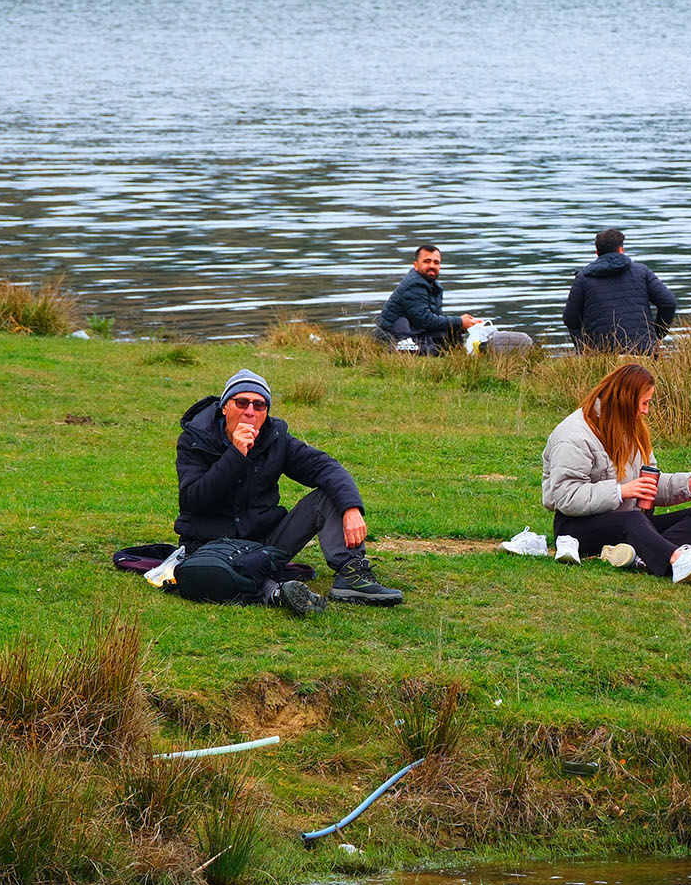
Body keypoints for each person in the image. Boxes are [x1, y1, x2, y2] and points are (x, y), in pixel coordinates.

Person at [174, 369, 404, 612]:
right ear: (225, 407)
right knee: (217, 574)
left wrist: (351, 508)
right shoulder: (195, 440)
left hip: (266, 542)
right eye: (241, 402)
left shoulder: (275, 437)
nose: (249, 411)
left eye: (259, 405)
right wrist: (235, 455)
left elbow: (325, 466)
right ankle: (277, 592)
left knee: (328, 494)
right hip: (211, 545)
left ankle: (353, 576)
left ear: (266, 412)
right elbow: (193, 501)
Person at [541, 362, 691, 583]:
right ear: (626, 400)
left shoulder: (631, 427)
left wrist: (689, 484)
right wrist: (621, 492)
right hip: (576, 528)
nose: (646, 411)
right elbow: (565, 497)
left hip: (630, 522)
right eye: (644, 403)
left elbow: (647, 485)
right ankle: (676, 560)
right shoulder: (573, 435)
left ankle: (642, 556)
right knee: (632, 520)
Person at [562, 229, 677, 353]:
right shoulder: (642, 272)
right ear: (621, 250)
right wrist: (655, 337)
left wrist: (585, 350)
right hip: (643, 351)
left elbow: (570, 319)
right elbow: (668, 303)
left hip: (601, 356)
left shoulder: (583, 278)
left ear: (597, 252)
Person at [375, 244, 487, 354]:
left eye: (436, 262)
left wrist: (465, 325)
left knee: (451, 335)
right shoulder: (414, 285)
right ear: (416, 265)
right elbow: (425, 320)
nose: (432, 266)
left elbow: (435, 320)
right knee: (436, 348)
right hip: (395, 334)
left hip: (414, 329)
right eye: (427, 261)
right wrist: (460, 322)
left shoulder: (433, 285)